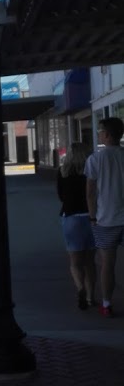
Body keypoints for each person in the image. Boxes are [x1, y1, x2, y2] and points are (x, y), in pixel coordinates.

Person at [85, 116, 124, 317]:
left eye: (100, 131)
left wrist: (92, 217)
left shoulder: (95, 159)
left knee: (107, 264)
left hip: (105, 220)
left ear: (107, 135)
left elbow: (90, 192)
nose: (99, 134)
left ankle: (107, 304)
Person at [57, 142, 96, 310]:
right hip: (91, 218)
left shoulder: (62, 172)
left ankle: (80, 288)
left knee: (75, 262)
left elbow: (61, 196)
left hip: (70, 218)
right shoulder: (90, 171)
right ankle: (90, 297)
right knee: (90, 262)